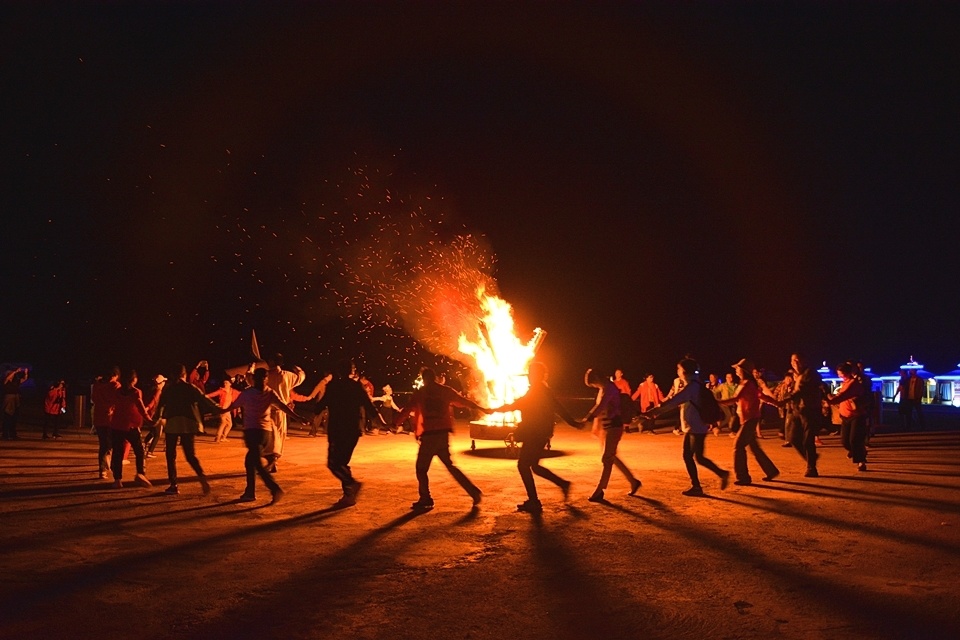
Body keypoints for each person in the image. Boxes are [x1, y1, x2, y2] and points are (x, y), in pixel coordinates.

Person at [491, 362, 583, 513]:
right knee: (534, 466)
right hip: (541, 433)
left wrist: (493, 410)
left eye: (530, 373)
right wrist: (573, 423)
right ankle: (562, 484)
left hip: (534, 433)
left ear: (535, 375)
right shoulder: (544, 390)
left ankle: (534, 501)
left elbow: (517, 404)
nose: (528, 376)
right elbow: (559, 408)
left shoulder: (536, 391)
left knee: (523, 465)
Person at [394, 367, 487, 511]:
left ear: (424, 379)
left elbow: (407, 410)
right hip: (442, 435)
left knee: (421, 469)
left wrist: (395, 423)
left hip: (429, 436)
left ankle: (425, 498)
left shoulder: (420, 393)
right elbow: (463, 401)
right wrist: (481, 408)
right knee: (450, 466)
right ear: (435, 377)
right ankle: (473, 492)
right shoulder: (445, 391)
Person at [220, 367, 308, 504]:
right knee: (250, 462)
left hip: (253, 432)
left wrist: (221, 410)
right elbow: (283, 406)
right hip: (265, 433)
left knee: (255, 464)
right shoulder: (269, 393)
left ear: (254, 379)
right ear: (266, 379)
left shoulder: (248, 393)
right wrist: (298, 417)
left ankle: (273, 489)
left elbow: (233, 405)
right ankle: (253, 488)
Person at [644, 358, 729, 496]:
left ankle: (703, 483)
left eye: (678, 369)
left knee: (693, 457)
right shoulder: (696, 385)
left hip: (696, 428)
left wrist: (654, 412)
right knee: (694, 456)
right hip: (696, 427)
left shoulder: (691, 388)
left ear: (683, 371)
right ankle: (710, 479)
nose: (677, 371)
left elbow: (672, 402)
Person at [316, 359, 387, 507]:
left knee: (334, 464)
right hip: (353, 430)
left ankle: (351, 485)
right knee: (342, 463)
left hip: (337, 430)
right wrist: (384, 424)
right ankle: (349, 496)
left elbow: (320, 406)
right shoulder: (356, 386)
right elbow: (370, 407)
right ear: (351, 371)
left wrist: (310, 413)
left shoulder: (333, 386)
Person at [582, 368, 642, 502]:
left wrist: (587, 419)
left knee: (607, 458)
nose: (594, 386)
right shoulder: (604, 388)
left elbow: (601, 406)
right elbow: (600, 408)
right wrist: (595, 426)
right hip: (607, 427)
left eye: (593, 384)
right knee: (611, 457)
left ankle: (600, 490)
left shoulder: (609, 388)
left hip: (614, 427)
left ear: (597, 379)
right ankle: (633, 481)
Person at [153, 365, 213, 496]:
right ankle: (201, 476)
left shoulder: (168, 389)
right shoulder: (190, 388)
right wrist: (219, 408)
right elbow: (204, 399)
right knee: (190, 455)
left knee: (170, 455)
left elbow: (160, 406)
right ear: (184, 375)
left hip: (173, 424)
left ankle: (173, 484)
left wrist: (156, 418)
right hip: (188, 424)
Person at [719, 359, 779, 485]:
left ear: (743, 370)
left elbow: (735, 398)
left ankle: (743, 477)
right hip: (749, 418)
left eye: (738, 368)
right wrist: (777, 403)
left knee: (738, 446)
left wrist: (716, 403)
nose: (736, 370)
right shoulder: (749, 384)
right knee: (755, 448)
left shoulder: (746, 384)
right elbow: (762, 396)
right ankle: (771, 471)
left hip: (749, 419)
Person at [764, 353, 823, 478]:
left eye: (798, 360)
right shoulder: (796, 375)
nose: (795, 362)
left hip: (809, 410)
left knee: (808, 440)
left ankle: (811, 467)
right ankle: (810, 457)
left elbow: (800, 390)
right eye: (793, 360)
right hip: (797, 410)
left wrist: (783, 400)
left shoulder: (810, 374)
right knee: (792, 437)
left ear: (805, 361)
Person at [108, 369, 153, 489]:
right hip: (131, 426)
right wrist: (149, 420)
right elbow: (141, 408)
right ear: (134, 380)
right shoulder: (136, 392)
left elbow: (112, 405)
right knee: (139, 450)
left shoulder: (117, 391)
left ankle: (117, 480)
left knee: (117, 452)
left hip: (117, 425)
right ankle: (140, 474)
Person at [262, 353, 306, 472]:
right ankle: (273, 462)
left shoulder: (265, 376)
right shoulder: (288, 375)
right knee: (279, 437)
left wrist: (250, 370)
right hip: (281, 412)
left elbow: (251, 382)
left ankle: (271, 462)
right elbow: (301, 377)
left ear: (271, 361)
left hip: (267, 412)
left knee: (269, 438)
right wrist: (299, 370)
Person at [828, 362, 868, 471]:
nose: (839, 376)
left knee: (855, 440)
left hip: (857, 415)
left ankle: (861, 461)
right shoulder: (844, 383)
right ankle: (859, 451)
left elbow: (843, 395)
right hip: (845, 416)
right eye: (838, 374)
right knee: (845, 442)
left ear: (848, 373)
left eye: (841, 374)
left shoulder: (853, 384)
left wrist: (831, 401)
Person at [91, 367, 120, 478]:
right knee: (112, 444)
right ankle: (110, 465)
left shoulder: (97, 385)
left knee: (103, 444)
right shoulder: (115, 385)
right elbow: (118, 400)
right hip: (111, 418)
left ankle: (102, 469)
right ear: (115, 375)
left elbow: (93, 399)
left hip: (98, 417)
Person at [142, 374, 166, 458]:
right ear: (160, 383)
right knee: (157, 434)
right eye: (163, 381)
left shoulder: (152, 389)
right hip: (154, 414)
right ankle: (150, 452)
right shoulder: (158, 391)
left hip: (151, 414)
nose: (164, 383)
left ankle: (144, 443)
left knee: (153, 432)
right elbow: (154, 401)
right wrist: (147, 408)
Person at [2, 367, 28, 441]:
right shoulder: (5, 381)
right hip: (9, 398)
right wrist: (15, 371)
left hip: (15, 398)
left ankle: (13, 434)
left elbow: (24, 379)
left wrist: (25, 373)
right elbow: (7, 378)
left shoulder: (15, 381)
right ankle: (5, 434)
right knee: (7, 416)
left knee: (14, 417)